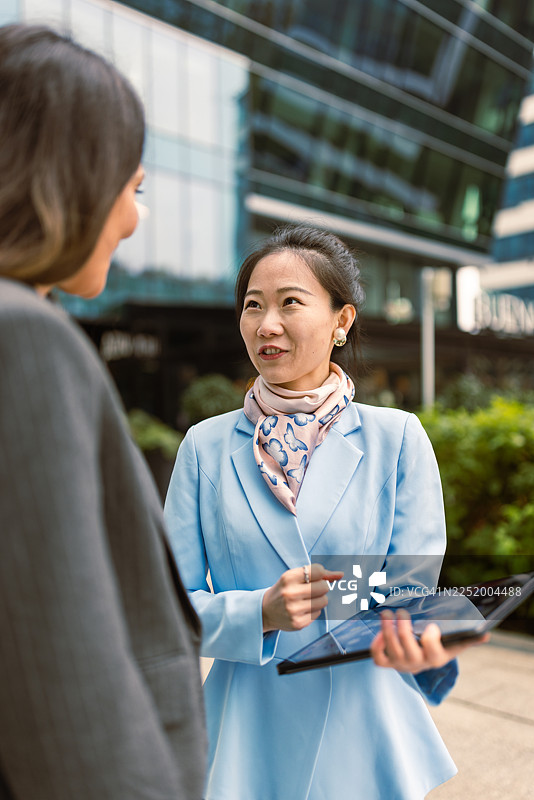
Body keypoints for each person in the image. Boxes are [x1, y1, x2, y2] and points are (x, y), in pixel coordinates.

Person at [164, 223, 488, 800]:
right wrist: (258, 611)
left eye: (291, 302)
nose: (267, 324)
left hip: (364, 736)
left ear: (342, 321)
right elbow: (166, 609)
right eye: (253, 306)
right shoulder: (204, 448)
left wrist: (427, 638)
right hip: (246, 739)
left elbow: (411, 599)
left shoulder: (399, 439)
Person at [0, 24, 206, 799]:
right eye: (134, 186)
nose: (133, 218)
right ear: (68, 179)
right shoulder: (20, 340)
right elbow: (71, 705)